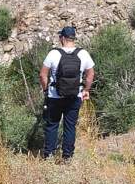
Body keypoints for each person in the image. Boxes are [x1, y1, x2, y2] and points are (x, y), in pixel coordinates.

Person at [39, 26, 95, 161]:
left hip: (55, 96)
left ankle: (49, 155)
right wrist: (86, 90)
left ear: (63, 38)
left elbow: (43, 75)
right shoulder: (83, 53)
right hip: (75, 96)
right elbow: (90, 74)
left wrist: (46, 90)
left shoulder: (53, 54)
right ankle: (67, 156)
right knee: (70, 126)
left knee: (52, 124)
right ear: (73, 38)